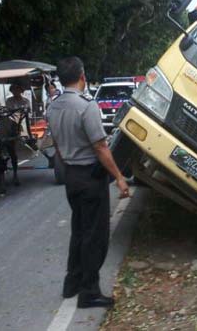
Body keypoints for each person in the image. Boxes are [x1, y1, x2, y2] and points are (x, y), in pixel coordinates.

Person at [47, 56, 130, 309]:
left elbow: (59, 147)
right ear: (82, 75)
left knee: (80, 230)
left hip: (71, 176)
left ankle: (72, 282)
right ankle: (89, 291)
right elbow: (101, 147)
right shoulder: (86, 106)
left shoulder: (53, 106)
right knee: (95, 236)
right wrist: (118, 176)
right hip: (90, 177)